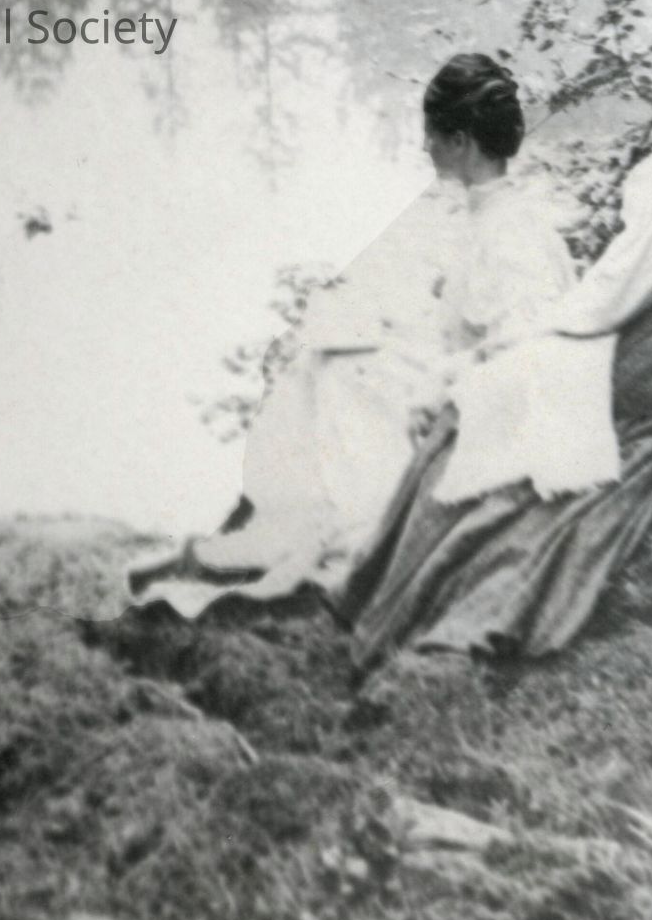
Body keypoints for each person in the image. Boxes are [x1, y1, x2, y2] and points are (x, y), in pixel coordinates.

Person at [336, 11, 652, 670]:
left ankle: (398, 592)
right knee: (523, 404)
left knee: (493, 402)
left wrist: (539, 335)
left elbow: (625, 282)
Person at [130, 54, 575, 608]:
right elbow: (471, 322)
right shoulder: (493, 215)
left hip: (488, 414)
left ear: (460, 141)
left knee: (347, 382)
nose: (424, 147)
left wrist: (439, 383)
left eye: (432, 135)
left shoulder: (511, 234)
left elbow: (524, 350)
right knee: (331, 357)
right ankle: (279, 529)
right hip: (466, 385)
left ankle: (321, 536)